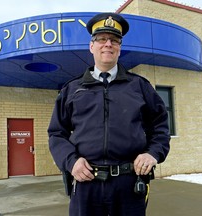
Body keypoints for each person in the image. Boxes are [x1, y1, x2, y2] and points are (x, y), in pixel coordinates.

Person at [48, 12, 170, 216]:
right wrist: (71, 161)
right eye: (101, 39)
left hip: (129, 185)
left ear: (119, 49)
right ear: (91, 46)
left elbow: (161, 128)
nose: (108, 44)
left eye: (114, 40)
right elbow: (56, 133)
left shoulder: (140, 87)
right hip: (85, 183)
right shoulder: (72, 89)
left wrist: (152, 153)